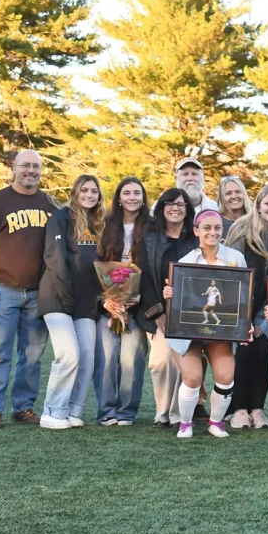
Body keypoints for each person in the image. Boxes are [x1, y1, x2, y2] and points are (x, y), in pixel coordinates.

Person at [0, 149, 56, 428]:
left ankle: (23, 407)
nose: (31, 171)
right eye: (25, 166)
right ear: (14, 168)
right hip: (1, 289)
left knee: (32, 354)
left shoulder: (50, 204)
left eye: (35, 166)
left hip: (39, 292)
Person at [160, 210, 251, 438]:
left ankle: (216, 422)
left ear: (223, 231)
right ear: (196, 231)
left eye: (217, 228)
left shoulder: (235, 258)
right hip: (187, 331)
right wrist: (169, 293)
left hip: (219, 332)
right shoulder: (185, 261)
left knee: (225, 375)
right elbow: (179, 299)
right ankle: (186, 423)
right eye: (207, 227)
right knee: (192, 377)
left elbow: (242, 296)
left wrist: (244, 323)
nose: (212, 232)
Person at [37, 175, 105, 429]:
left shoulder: (96, 223)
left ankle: (73, 411)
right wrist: (65, 295)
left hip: (86, 302)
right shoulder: (61, 217)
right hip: (58, 297)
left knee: (87, 357)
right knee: (68, 355)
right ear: (75, 192)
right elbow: (55, 258)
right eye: (84, 190)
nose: (89, 195)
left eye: (94, 191)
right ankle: (52, 412)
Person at [225, 184, 268, 429]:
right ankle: (239, 410)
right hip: (241, 303)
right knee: (244, 352)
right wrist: (243, 316)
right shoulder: (241, 230)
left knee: (263, 353)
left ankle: (258, 409)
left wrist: (264, 317)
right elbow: (233, 273)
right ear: (258, 205)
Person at [138, 188, 197, 428]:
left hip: (188, 313)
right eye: (170, 203)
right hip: (157, 311)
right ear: (162, 208)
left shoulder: (195, 239)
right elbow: (143, 277)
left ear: (187, 210)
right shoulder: (149, 238)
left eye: (181, 204)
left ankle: (177, 416)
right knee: (161, 361)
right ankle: (162, 413)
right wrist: (158, 313)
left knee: (181, 362)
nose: (175, 208)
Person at [94, 177, 151, 426]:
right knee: (106, 357)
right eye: (126, 192)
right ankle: (106, 410)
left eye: (136, 193)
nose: (132, 197)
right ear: (118, 198)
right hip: (106, 304)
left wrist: (133, 300)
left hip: (138, 306)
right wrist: (107, 299)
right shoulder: (104, 226)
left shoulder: (152, 227)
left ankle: (127, 411)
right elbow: (93, 263)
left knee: (132, 357)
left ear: (143, 197)